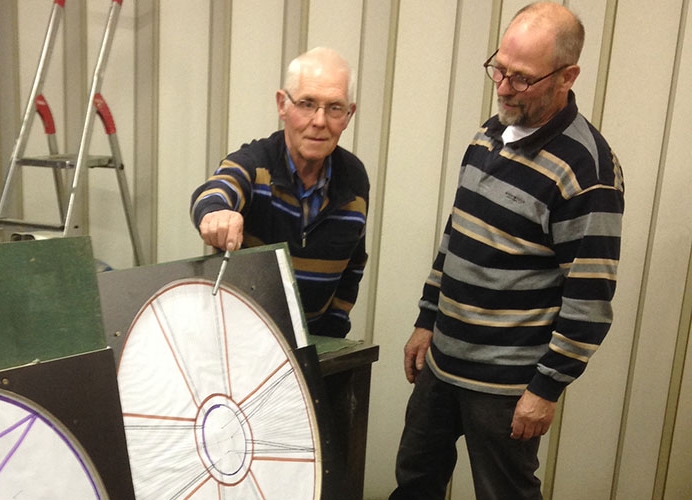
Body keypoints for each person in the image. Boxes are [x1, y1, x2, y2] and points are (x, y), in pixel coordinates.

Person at [390, 3, 624, 499]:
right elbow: (457, 236)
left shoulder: (588, 173)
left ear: (567, 76)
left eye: (521, 79)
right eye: (499, 69)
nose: (502, 88)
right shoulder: (490, 132)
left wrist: (545, 390)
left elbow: (590, 301)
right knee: (414, 479)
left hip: (505, 388)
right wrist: (426, 319)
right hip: (443, 362)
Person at [190, 47, 370, 339]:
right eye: (307, 104)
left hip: (316, 343)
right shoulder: (253, 164)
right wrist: (216, 213)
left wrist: (333, 330)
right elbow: (216, 191)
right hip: (243, 342)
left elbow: (354, 264)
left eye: (334, 107)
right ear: (282, 105)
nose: (320, 121)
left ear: (349, 115)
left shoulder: (354, 178)